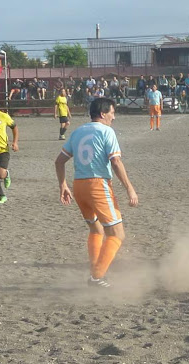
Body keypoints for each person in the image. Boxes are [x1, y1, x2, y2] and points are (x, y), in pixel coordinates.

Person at [54, 97, 138, 288]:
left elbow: (59, 161)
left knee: (96, 228)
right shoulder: (107, 131)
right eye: (112, 113)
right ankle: (97, 276)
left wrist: (63, 185)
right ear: (103, 114)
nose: (113, 117)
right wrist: (130, 188)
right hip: (98, 185)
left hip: (79, 186)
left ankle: (95, 268)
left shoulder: (77, 132)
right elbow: (116, 162)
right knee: (117, 234)